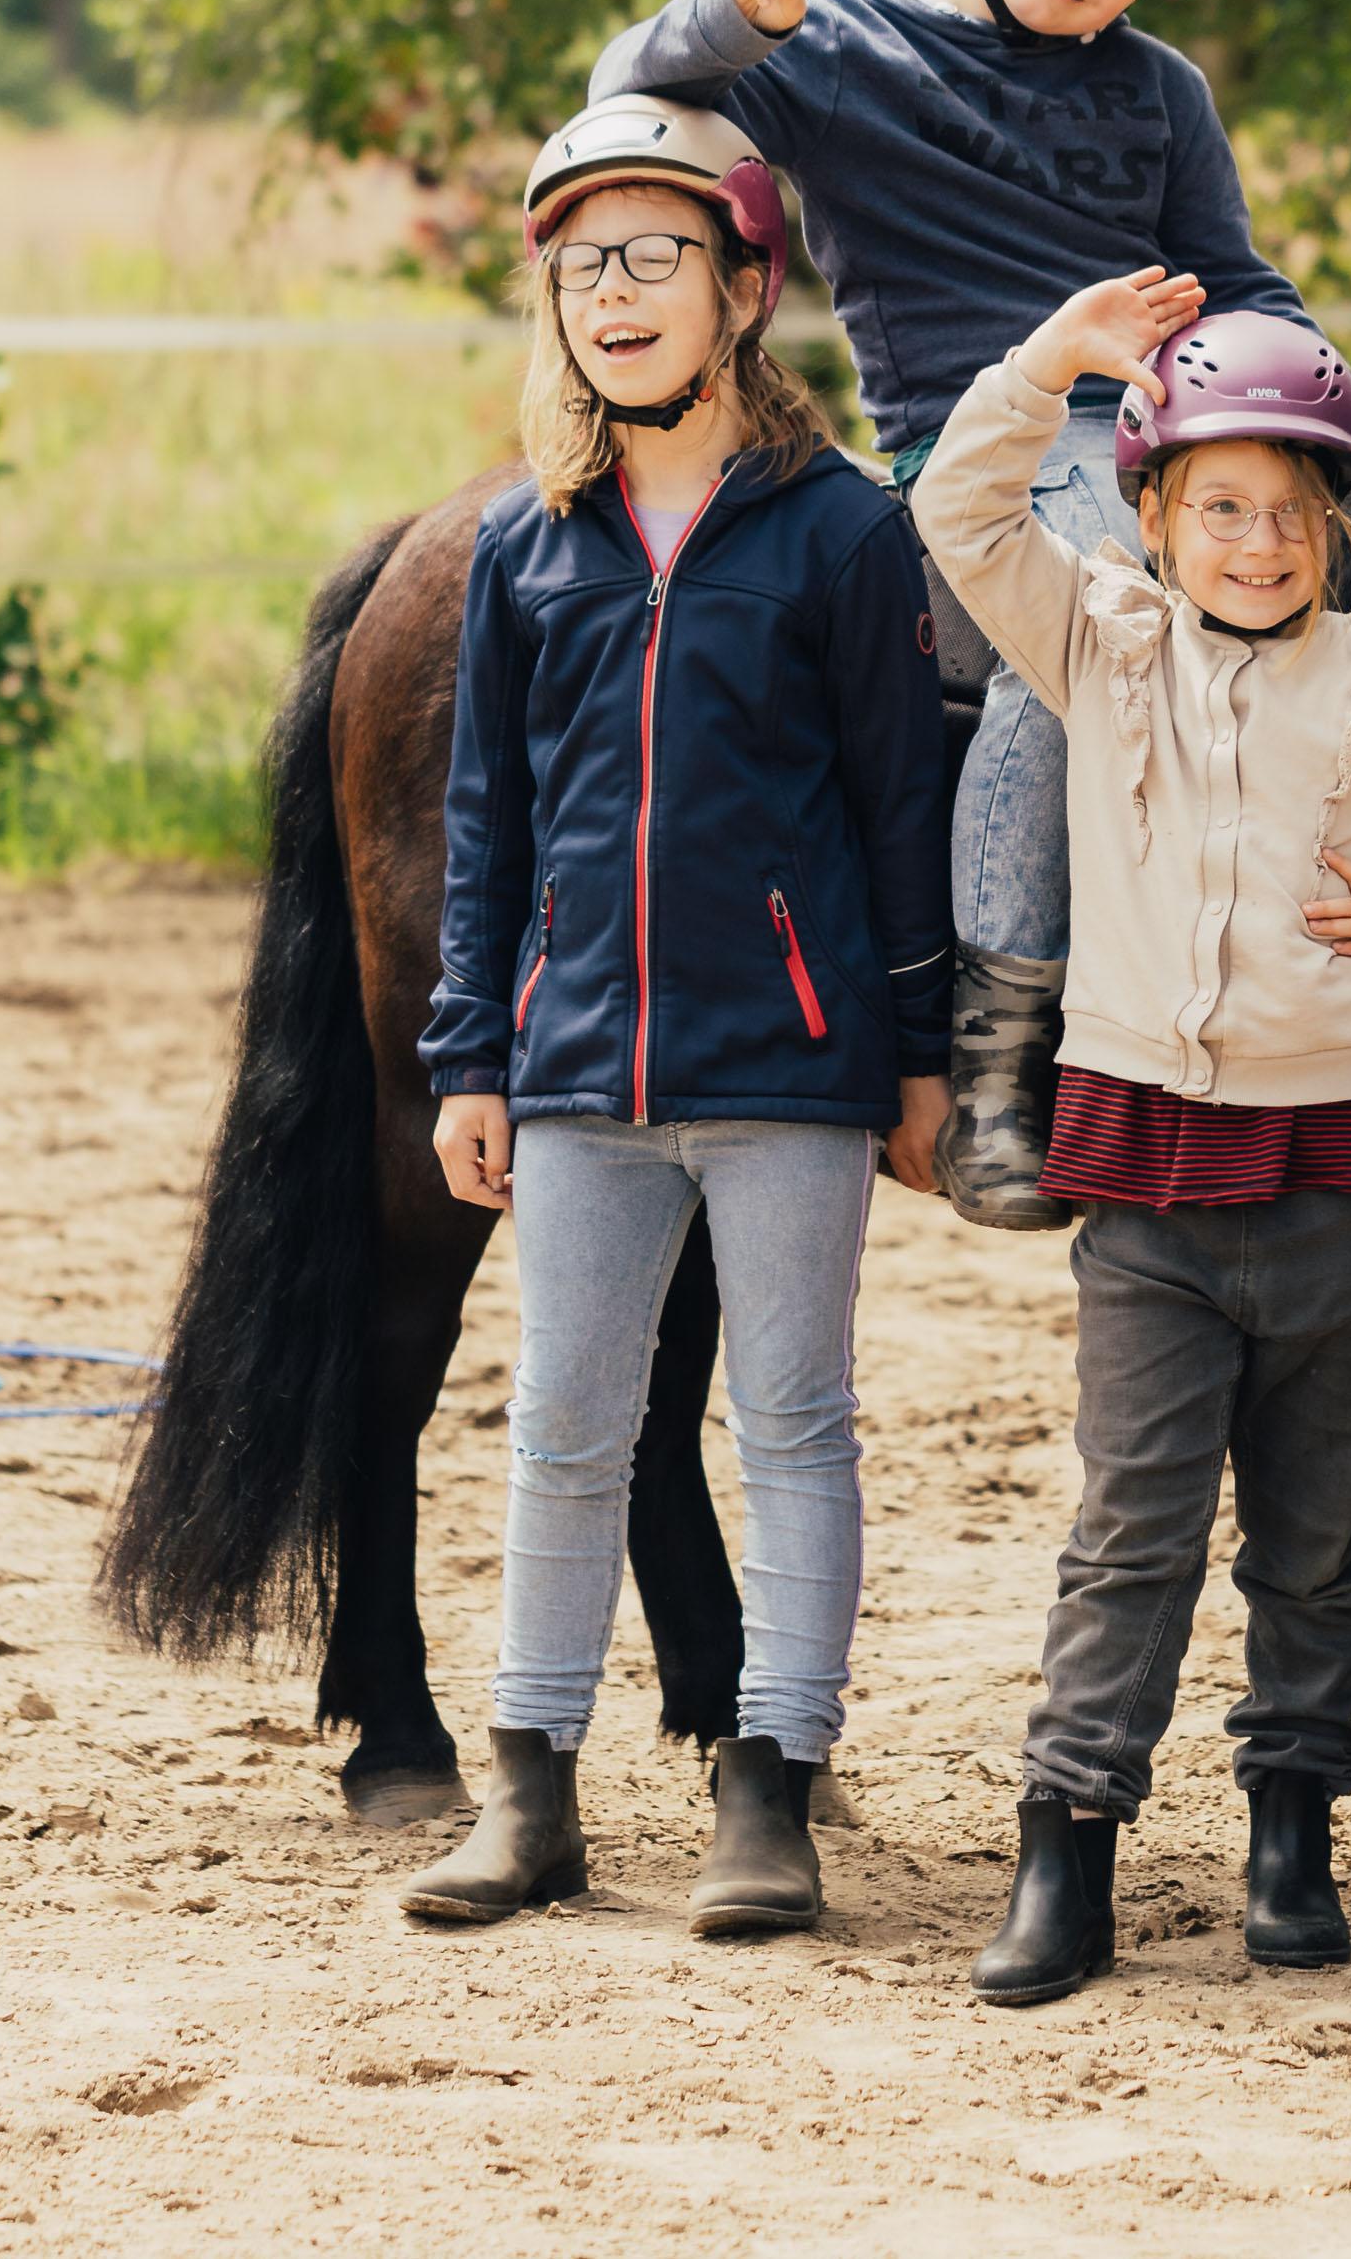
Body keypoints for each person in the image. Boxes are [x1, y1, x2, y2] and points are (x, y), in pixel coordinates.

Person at [593, 0, 1351, 1237]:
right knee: (1098, 624)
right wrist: (739, 14)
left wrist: (1345, 391)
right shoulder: (842, 43)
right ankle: (996, 1045)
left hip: (1170, 432)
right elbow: (626, 95)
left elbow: (1236, 279)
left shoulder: (1159, 98)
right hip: (980, 445)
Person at [912, 287, 1351, 2005]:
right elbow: (959, 509)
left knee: (1318, 1530)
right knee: (1131, 1525)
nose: (1261, 542)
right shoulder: (1101, 643)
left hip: (1350, 1171)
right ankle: (1069, 1845)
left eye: (1292, 509)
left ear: (1333, 518)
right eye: (1221, 506)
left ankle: (1293, 1826)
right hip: (1146, 1169)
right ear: (1153, 515)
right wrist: (1052, 357)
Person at [399, 96, 953, 1939]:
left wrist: (917, 1050)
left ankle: (770, 1784)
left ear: (740, 287)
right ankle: (528, 1787)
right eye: (580, 264)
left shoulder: (842, 537)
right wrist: (471, 1048)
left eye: (654, 258)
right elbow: (487, 819)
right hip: (575, 1071)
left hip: (789, 1072)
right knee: (564, 1422)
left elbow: (899, 813)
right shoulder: (523, 549)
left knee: (795, 1419)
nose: (613, 293)